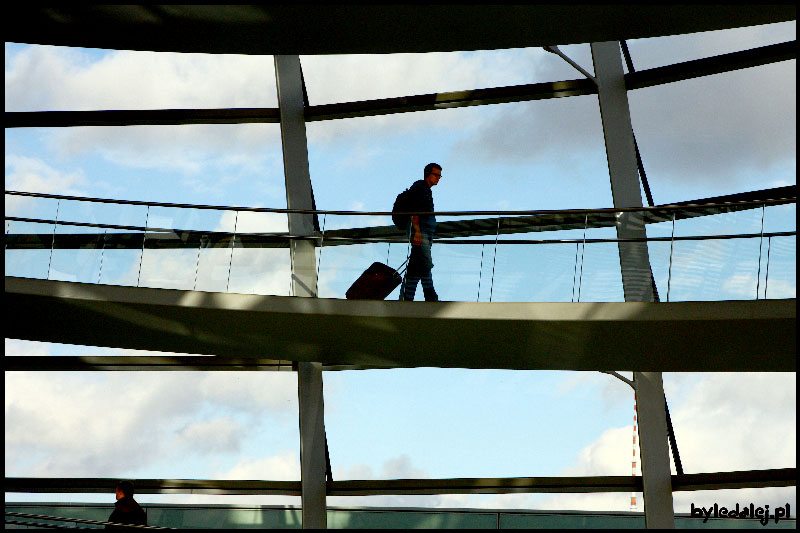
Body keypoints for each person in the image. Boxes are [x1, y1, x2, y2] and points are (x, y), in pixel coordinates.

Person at [400, 163, 441, 302]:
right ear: (428, 174)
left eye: (440, 175)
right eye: (436, 175)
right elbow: (415, 210)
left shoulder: (424, 189)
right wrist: (417, 231)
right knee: (425, 263)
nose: (438, 178)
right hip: (421, 233)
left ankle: (407, 297)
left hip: (424, 234)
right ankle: (430, 297)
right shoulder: (421, 187)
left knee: (417, 266)